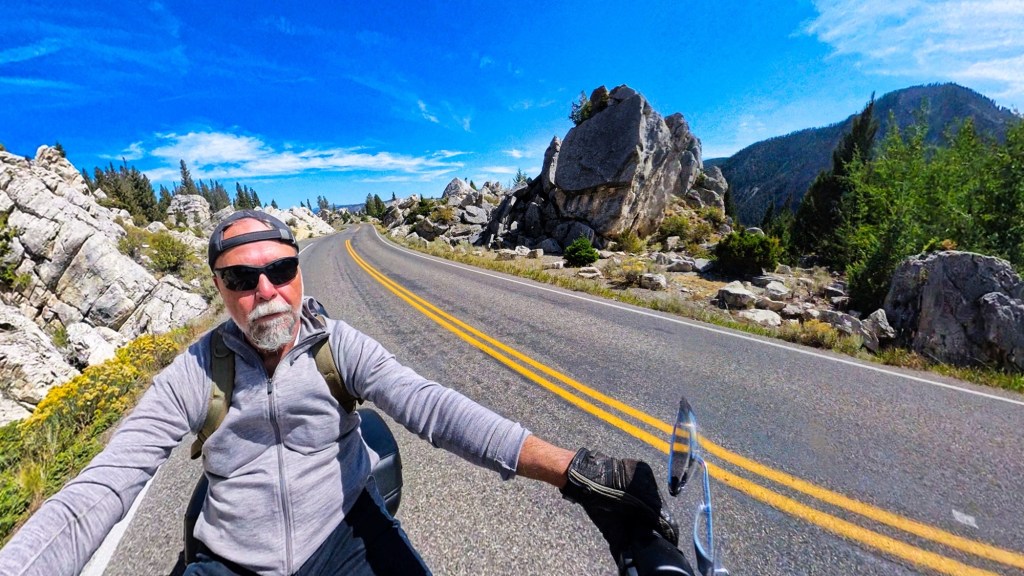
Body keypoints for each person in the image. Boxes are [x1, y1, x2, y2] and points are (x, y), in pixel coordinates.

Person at [0, 210, 676, 576]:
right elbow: (104, 485)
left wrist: (572, 470)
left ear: (299, 272)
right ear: (220, 289)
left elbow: (431, 407)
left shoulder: (336, 345)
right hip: (230, 559)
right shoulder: (194, 370)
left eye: (281, 269)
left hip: (347, 535)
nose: (266, 291)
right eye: (241, 279)